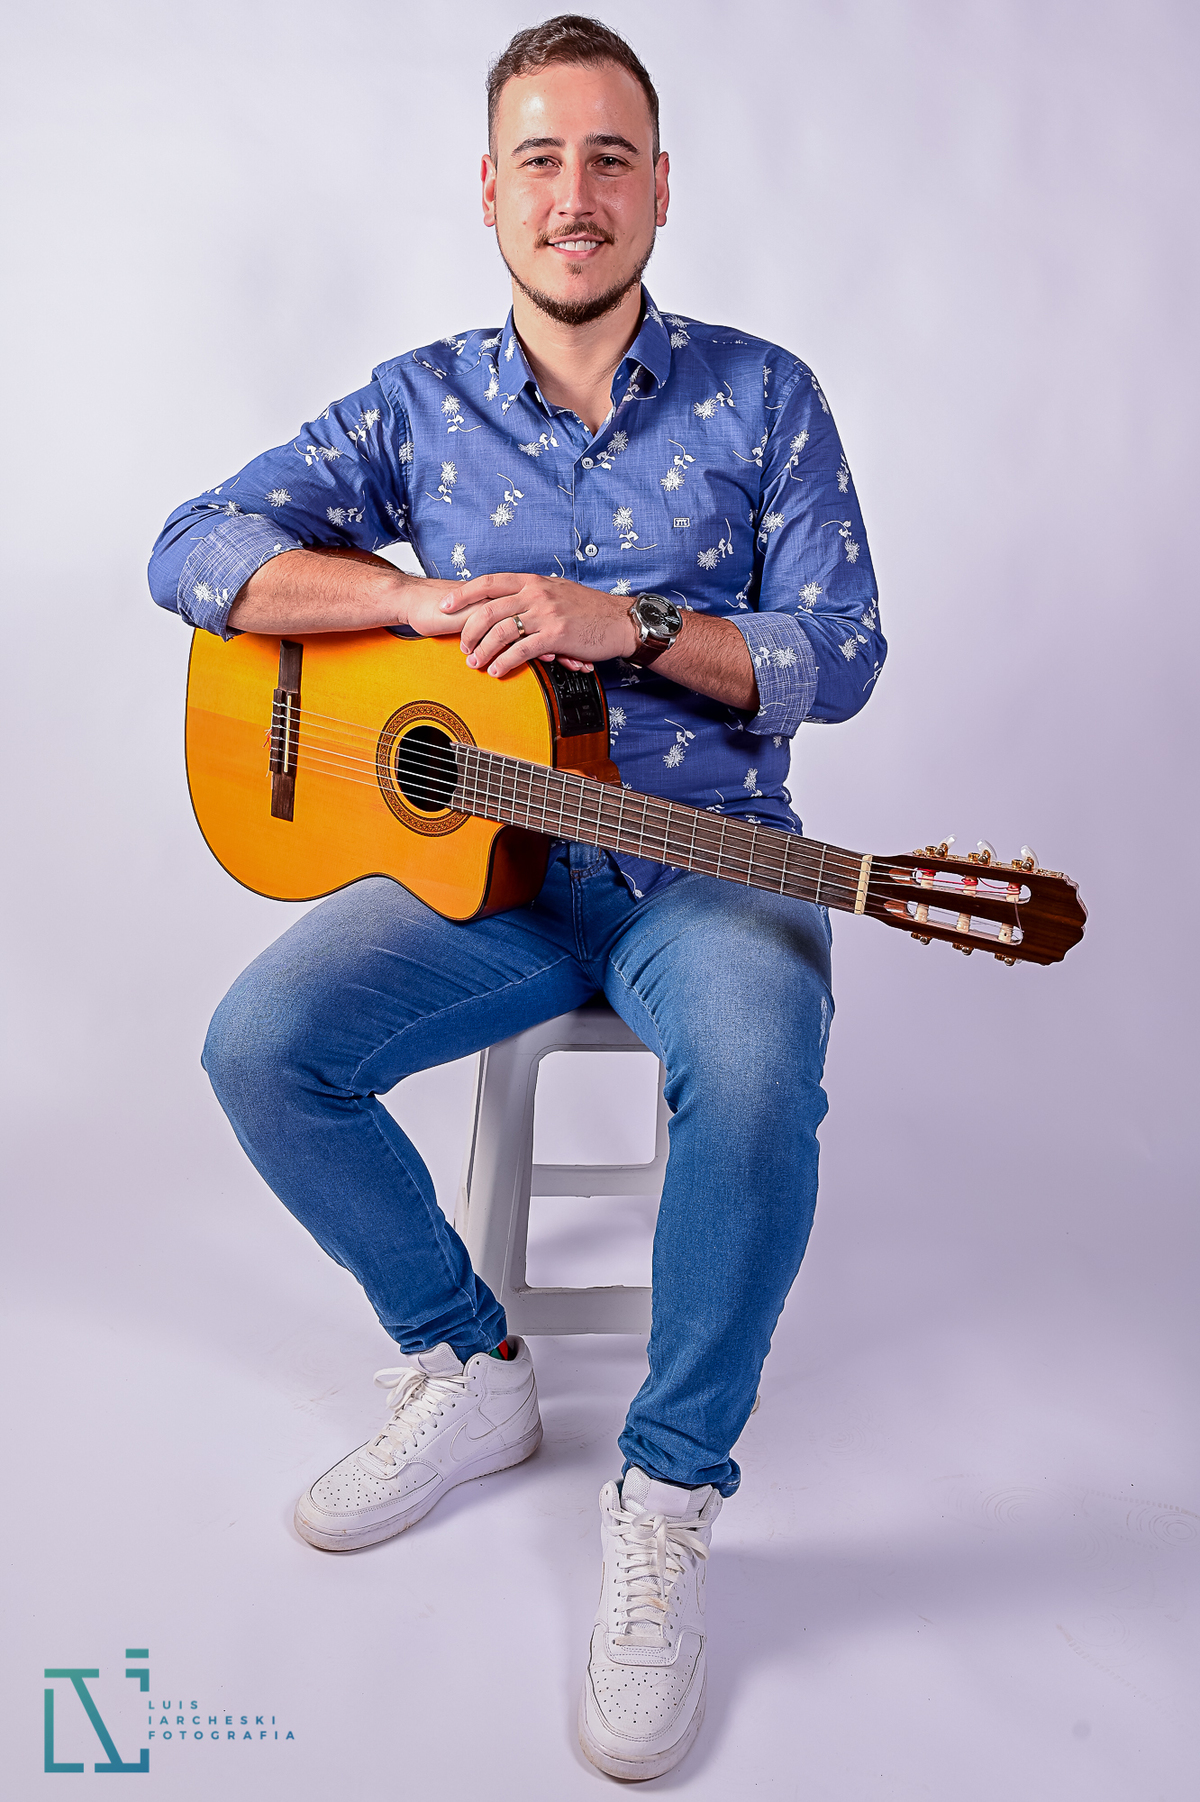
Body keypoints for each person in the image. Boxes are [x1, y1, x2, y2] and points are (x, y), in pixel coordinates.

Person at [148, 14, 884, 1781]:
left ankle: (669, 1489)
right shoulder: (416, 404)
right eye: (541, 159)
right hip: (483, 872)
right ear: (488, 191)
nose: (575, 194)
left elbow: (843, 654)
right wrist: (409, 602)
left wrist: (630, 622)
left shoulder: (766, 396)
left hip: (709, 864)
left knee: (756, 1070)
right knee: (261, 1046)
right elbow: (193, 549)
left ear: (660, 189)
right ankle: (467, 1361)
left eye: (609, 158)